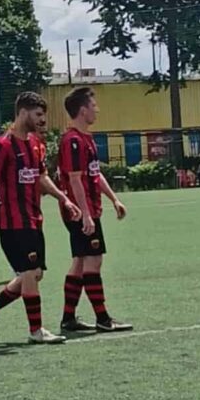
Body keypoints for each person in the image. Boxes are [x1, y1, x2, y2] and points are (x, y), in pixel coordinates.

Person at [0, 92, 82, 344]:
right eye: (38, 114)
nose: (42, 120)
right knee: (29, 274)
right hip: (13, 224)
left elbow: (41, 177)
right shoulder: (3, 146)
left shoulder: (35, 144)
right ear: (23, 112)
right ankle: (36, 331)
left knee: (35, 274)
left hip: (34, 220)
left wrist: (64, 199)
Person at [57, 87, 134, 334]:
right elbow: (75, 179)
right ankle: (103, 318)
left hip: (87, 210)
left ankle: (68, 319)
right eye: (93, 106)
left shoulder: (86, 138)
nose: (97, 110)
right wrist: (86, 214)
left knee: (80, 262)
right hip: (80, 212)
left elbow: (95, 174)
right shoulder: (72, 141)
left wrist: (114, 199)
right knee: (94, 260)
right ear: (83, 110)